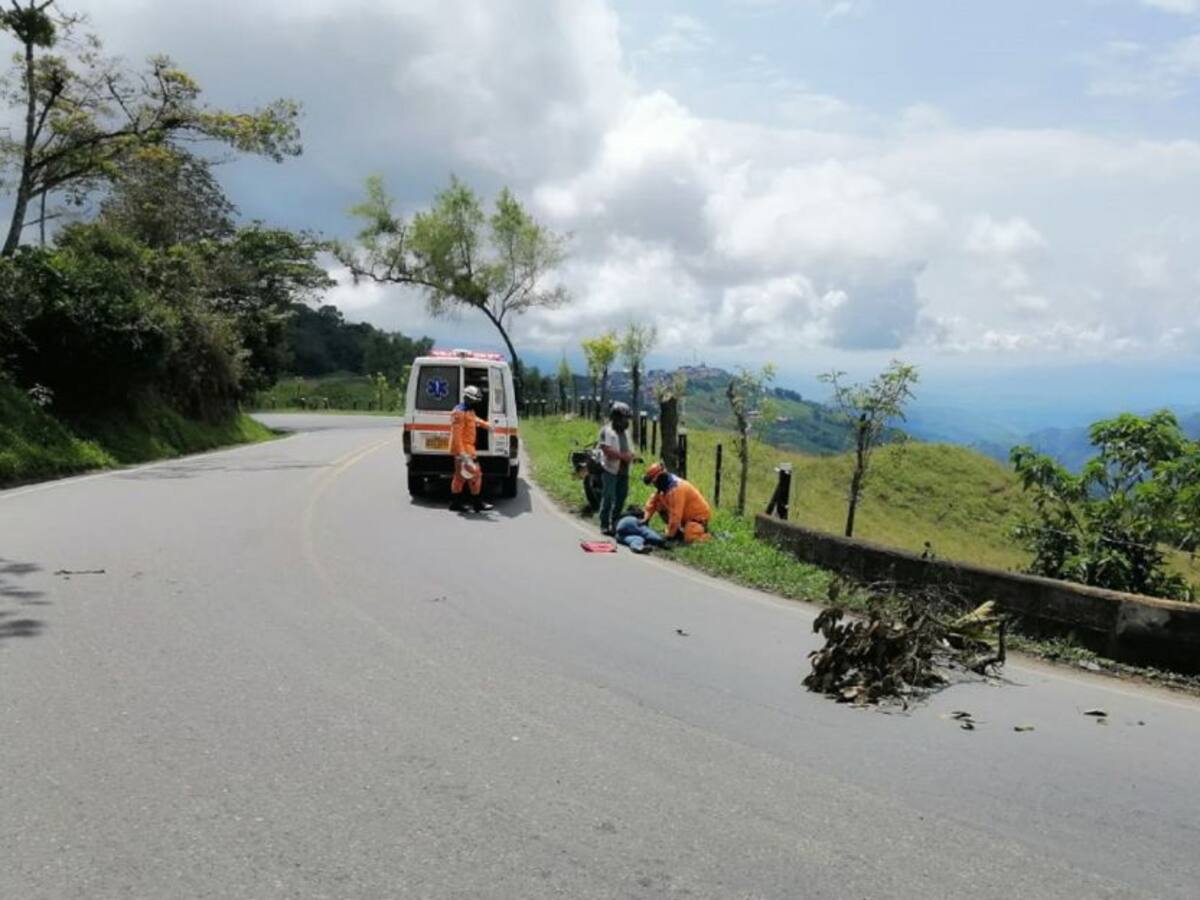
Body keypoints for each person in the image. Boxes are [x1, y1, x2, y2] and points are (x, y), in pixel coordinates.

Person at [641, 461, 712, 544]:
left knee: (689, 538)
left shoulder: (677, 489)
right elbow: (652, 502)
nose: (654, 485)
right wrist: (645, 518)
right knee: (659, 504)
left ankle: (708, 536)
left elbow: (675, 516)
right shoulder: (664, 486)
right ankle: (676, 531)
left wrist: (668, 536)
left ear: (660, 478)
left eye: (654, 482)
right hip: (685, 517)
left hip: (697, 517)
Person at [449, 385, 493, 512]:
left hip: (467, 448)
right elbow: (456, 437)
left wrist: (485, 425)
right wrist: (463, 454)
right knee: (476, 475)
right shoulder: (459, 412)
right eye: (475, 400)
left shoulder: (468, 410)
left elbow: (474, 419)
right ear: (468, 398)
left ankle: (456, 503)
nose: (477, 402)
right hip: (464, 449)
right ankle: (477, 503)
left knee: (460, 477)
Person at [597, 401, 635, 535]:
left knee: (621, 497)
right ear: (616, 417)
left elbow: (629, 448)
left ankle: (614, 522)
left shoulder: (626, 432)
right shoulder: (607, 431)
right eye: (624, 418)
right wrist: (622, 456)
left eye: (627, 418)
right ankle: (604, 524)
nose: (626, 421)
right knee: (608, 496)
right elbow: (606, 449)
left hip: (624, 471)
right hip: (610, 470)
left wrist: (632, 456)